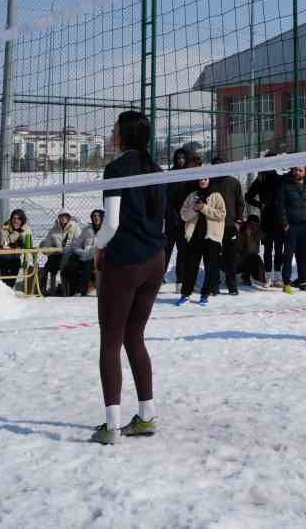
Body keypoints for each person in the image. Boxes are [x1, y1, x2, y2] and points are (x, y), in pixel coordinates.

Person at [89, 109, 167, 445]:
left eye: (114, 129)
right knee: (134, 336)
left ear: (125, 135)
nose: (111, 133)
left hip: (126, 263)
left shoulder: (117, 168)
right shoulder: (157, 170)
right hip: (155, 260)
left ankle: (111, 426)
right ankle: (146, 416)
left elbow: (112, 224)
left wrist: (96, 246)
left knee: (111, 339)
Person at [178, 176, 227, 305]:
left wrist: (204, 208)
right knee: (191, 267)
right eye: (200, 179)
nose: (202, 181)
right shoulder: (192, 195)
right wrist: (194, 209)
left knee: (210, 268)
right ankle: (185, 294)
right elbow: (183, 215)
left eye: (205, 179)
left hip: (212, 237)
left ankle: (205, 295)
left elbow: (222, 214)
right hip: (195, 237)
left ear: (209, 180)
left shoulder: (216, 196)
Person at [276, 164, 306, 291]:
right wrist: (285, 224)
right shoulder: (285, 185)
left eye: (300, 170)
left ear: (305, 172)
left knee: (303, 255)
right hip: (291, 226)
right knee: (288, 255)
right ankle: (286, 283)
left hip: (305, 226)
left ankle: (302, 281)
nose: (297, 172)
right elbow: (280, 205)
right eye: (295, 169)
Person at [164, 145, 200, 290]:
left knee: (183, 251)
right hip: (172, 220)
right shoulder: (171, 174)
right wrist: (172, 214)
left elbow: (193, 197)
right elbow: (166, 198)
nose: (180, 160)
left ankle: (180, 281)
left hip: (185, 220)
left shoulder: (190, 175)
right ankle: (158, 279)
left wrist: (187, 215)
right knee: (166, 250)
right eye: (178, 158)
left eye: (183, 158)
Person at [246, 161, 284, 286]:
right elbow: (248, 196)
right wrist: (259, 205)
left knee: (279, 249)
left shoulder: (280, 179)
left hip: (279, 219)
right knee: (268, 249)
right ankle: (267, 277)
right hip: (267, 220)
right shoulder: (261, 180)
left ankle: (278, 277)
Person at [213, 163, 246, 296]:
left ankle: (232, 285)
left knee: (230, 257)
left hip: (230, 226)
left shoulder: (234, 182)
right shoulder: (210, 182)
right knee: (213, 256)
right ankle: (214, 285)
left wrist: (238, 221)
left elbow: (240, 203)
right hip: (214, 226)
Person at [40, 211, 81, 295]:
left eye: (66, 216)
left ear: (69, 217)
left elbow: (79, 242)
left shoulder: (75, 227)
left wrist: (69, 248)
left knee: (66, 265)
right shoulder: (54, 229)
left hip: (71, 255)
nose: (63, 218)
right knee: (46, 267)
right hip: (57, 254)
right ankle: (47, 291)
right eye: (61, 216)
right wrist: (44, 245)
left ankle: (67, 291)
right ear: (58, 218)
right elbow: (48, 241)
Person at [0, 208, 33, 284]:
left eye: (19, 219)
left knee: (16, 263)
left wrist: (27, 260)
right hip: (4, 256)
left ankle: (9, 288)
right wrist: (17, 232)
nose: (16, 221)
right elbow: (4, 243)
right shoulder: (5, 227)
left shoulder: (26, 228)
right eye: (14, 218)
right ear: (11, 219)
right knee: (6, 262)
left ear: (22, 220)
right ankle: (6, 288)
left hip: (17, 257)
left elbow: (28, 246)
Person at [237, 216, 267, 287]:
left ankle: (259, 279)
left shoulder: (258, 233)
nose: (253, 227)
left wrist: (249, 237)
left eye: (255, 225)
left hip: (250, 259)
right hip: (239, 260)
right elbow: (240, 249)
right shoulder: (241, 232)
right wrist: (247, 236)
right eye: (251, 225)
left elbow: (252, 251)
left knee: (256, 259)